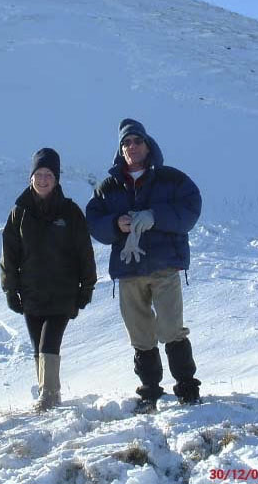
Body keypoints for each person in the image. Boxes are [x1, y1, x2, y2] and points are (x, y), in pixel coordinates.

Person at [86, 119, 202, 412]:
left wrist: (155, 216)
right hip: (129, 270)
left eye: (136, 141)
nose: (132, 147)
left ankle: (187, 388)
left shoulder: (171, 179)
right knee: (139, 333)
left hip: (165, 267)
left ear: (148, 145)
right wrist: (115, 224)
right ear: (120, 149)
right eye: (126, 143)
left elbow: (190, 210)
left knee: (171, 328)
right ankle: (149, 391)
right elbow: (94, 222)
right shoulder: (108, 187)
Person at [1, 147, 97, 411]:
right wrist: (11, 289)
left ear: (57, 179)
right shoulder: (18, 213)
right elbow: (9, 252)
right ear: (31, 177)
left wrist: (87, 286)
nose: (43, 180)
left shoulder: (70, 212)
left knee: (49, 343)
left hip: (63, 292)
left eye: (49, 175)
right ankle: (47, 394)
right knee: (37, 348)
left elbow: (84, 251)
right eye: (39, 174)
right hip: (32, 293)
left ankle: (50, 396)